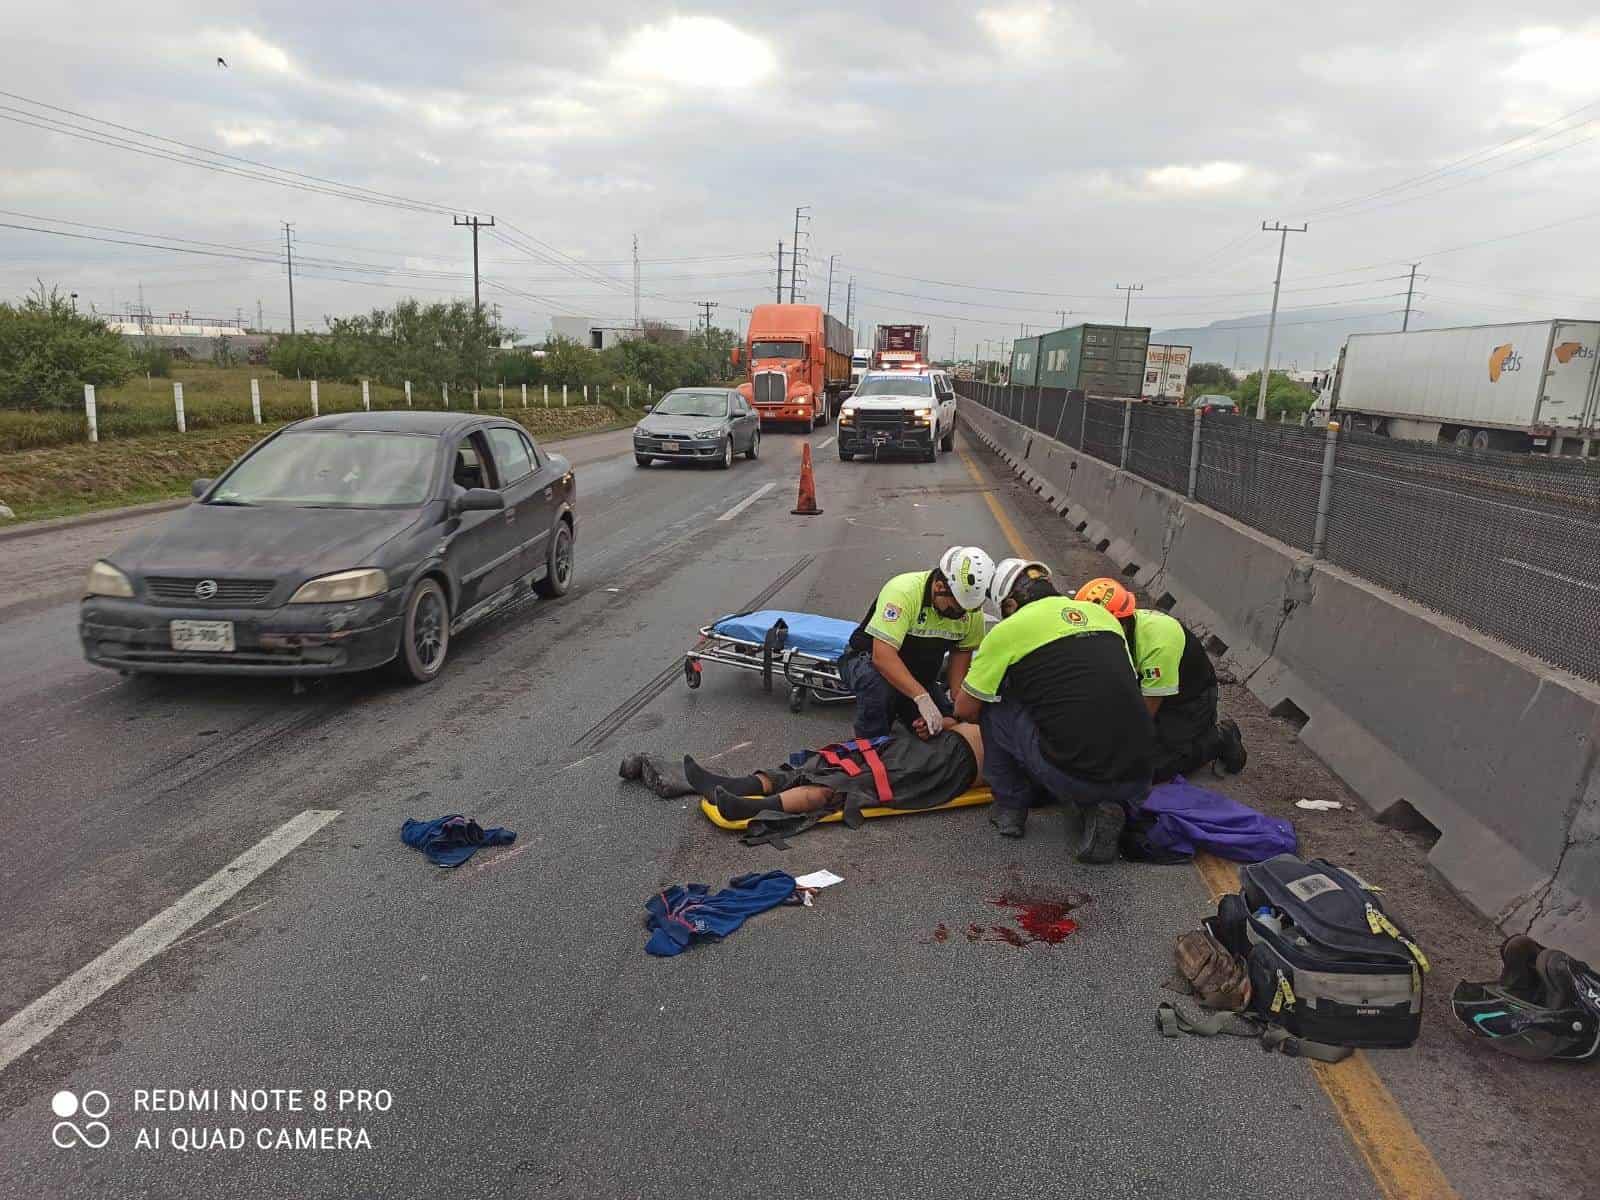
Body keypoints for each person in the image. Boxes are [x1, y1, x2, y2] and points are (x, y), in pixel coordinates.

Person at [953, 558, 1154, 860]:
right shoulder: (1104, 617)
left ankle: (1010, 806)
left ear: (1009, 605)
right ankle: (1101, 804)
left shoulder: (1008, 631)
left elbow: (966, 709)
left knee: (993, 706)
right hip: (1142, 774)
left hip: (1076, 774)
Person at [620, 722, 985, 823]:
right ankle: (732, 785)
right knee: (830, 761)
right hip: (931, 746)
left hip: (942, 767)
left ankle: (746, 807)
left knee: (844, 784)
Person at [1074, 578, 1246, 782]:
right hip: (1146, 686)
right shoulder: (1116, 633)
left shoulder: (1158, 645)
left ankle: (1219, 738)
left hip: (1189, 702)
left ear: (1120, 622)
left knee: (1144, 770)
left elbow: (1143, 718)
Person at [837, 545, 995, 740]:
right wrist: (921, 698)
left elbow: (958, 677)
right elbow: (882, 657)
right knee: (878, 688)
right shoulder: (903, 592)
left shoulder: (971, 614)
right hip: (868, 661)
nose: (960, 615)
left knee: (945, 724)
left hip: (918, 673)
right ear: (939, 587)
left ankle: (911, 717)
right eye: (956, 608)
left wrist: (955, 714)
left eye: (967, 610)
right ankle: (870, 747)